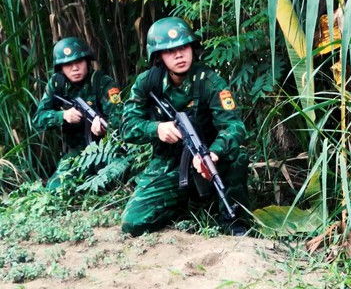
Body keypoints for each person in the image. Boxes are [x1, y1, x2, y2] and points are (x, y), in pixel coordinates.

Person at [121, 17, 249, 236]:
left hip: (206, 159)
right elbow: (127, 128)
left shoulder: (209, 81)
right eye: (170, 51)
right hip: (169, 163)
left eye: (183, 47)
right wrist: (157, 129)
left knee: (238, 155)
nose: (179, 55)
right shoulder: (148, 82)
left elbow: (235, 126)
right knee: (133, 224)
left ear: (192, 48)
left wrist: (214, 153)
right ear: (159, 56)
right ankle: (183, 203)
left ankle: (232, 218)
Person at [33, 37, 123, 190]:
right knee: (55, 189)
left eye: (79, 62)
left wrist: (104, 127)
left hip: (106, 150)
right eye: (68, 64)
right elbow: (38, 119)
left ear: (87, 61)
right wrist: (63, 116)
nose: (74, 68)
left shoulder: (102, 82)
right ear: (60, 67)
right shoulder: (57, 84)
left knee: (113, 182)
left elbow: (120, 117)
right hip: (76, 153)